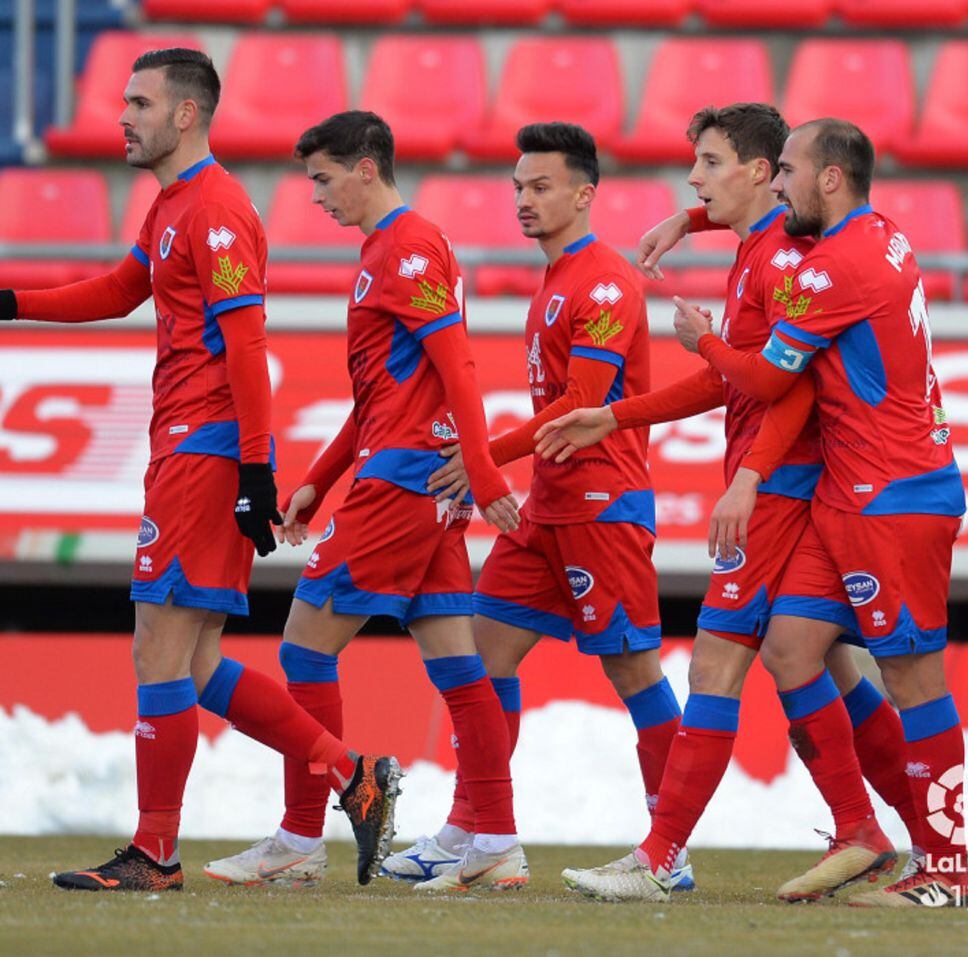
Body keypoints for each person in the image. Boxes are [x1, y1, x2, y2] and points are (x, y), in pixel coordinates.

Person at [0, 51, 398, 891]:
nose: (123, 115)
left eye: (140, 102)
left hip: (205, 450)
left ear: (186, 116)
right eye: (124, 100)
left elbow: (248, 343)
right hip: (189, 446)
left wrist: (256, 468)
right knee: (199, 662)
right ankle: (350, 773)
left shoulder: (214, 209)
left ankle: (156, 852)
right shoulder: (174, 206)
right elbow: (120, 289)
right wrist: (15, 302)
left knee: (159, 650)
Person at [537, 105, 916, 903]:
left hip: (780, 488)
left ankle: (662, 854)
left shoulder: (782, 260)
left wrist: (748, 478)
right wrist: (618, 413)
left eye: (709, 164)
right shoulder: (759, 248)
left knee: (716, 663)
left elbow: (791, 386)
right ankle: (900, 836)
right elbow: (727, 379)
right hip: (785, 484)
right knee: (817, 661)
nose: (694, 178)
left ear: (758, 173)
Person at [203, 110, 527, 893]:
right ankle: (496, 836)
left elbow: (460, 367)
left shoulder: (406, 247)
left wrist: (483, 473)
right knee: (459, 664)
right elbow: (382, 391)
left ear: (367, 168)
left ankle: (300, 835)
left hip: (406, 482)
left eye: (323, 179)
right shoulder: (391, 248)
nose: (316, 197)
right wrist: (318, 475)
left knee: (303, 647)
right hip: (412, 477)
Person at [663, 118, 968, 908]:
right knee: (793, 648)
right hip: (854, 491)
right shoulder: (884, 234)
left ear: (829, 180)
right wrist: (693, 216)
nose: (779, 185)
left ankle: (950, 871)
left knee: (914, 678)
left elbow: (765, 382)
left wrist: (701, 340)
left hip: (892, 493)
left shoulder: (835, 268)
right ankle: (866, 833)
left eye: (790, 171)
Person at [380, 121, 692, 890]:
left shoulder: (607, 282)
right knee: (482, 661)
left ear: (585, 194)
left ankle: (670, 848)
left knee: (635, 672)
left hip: (603, 507)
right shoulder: (553, 282)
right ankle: (475, 826)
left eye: (541, 185)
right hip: (546, 509)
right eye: (518, 186)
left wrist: (484, 461)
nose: (524, 199)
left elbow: (582, 404)